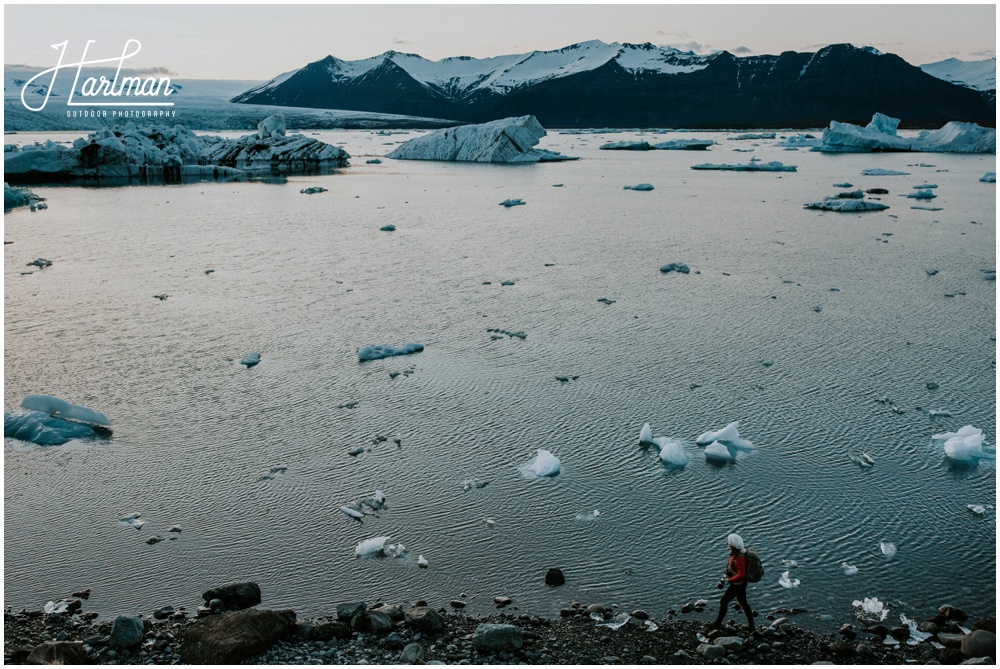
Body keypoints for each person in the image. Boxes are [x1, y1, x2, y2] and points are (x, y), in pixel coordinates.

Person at [710, 533, 756, 633]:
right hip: (739, 584)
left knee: (724, 601)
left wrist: (728, 581)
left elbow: (741, 574)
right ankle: (751, 626)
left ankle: (718, 623)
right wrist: (725, 577)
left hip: (737, 585)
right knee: (743, 603)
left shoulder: (740, 558)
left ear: (731, 545)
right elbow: (733, 569)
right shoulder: (734, 554)